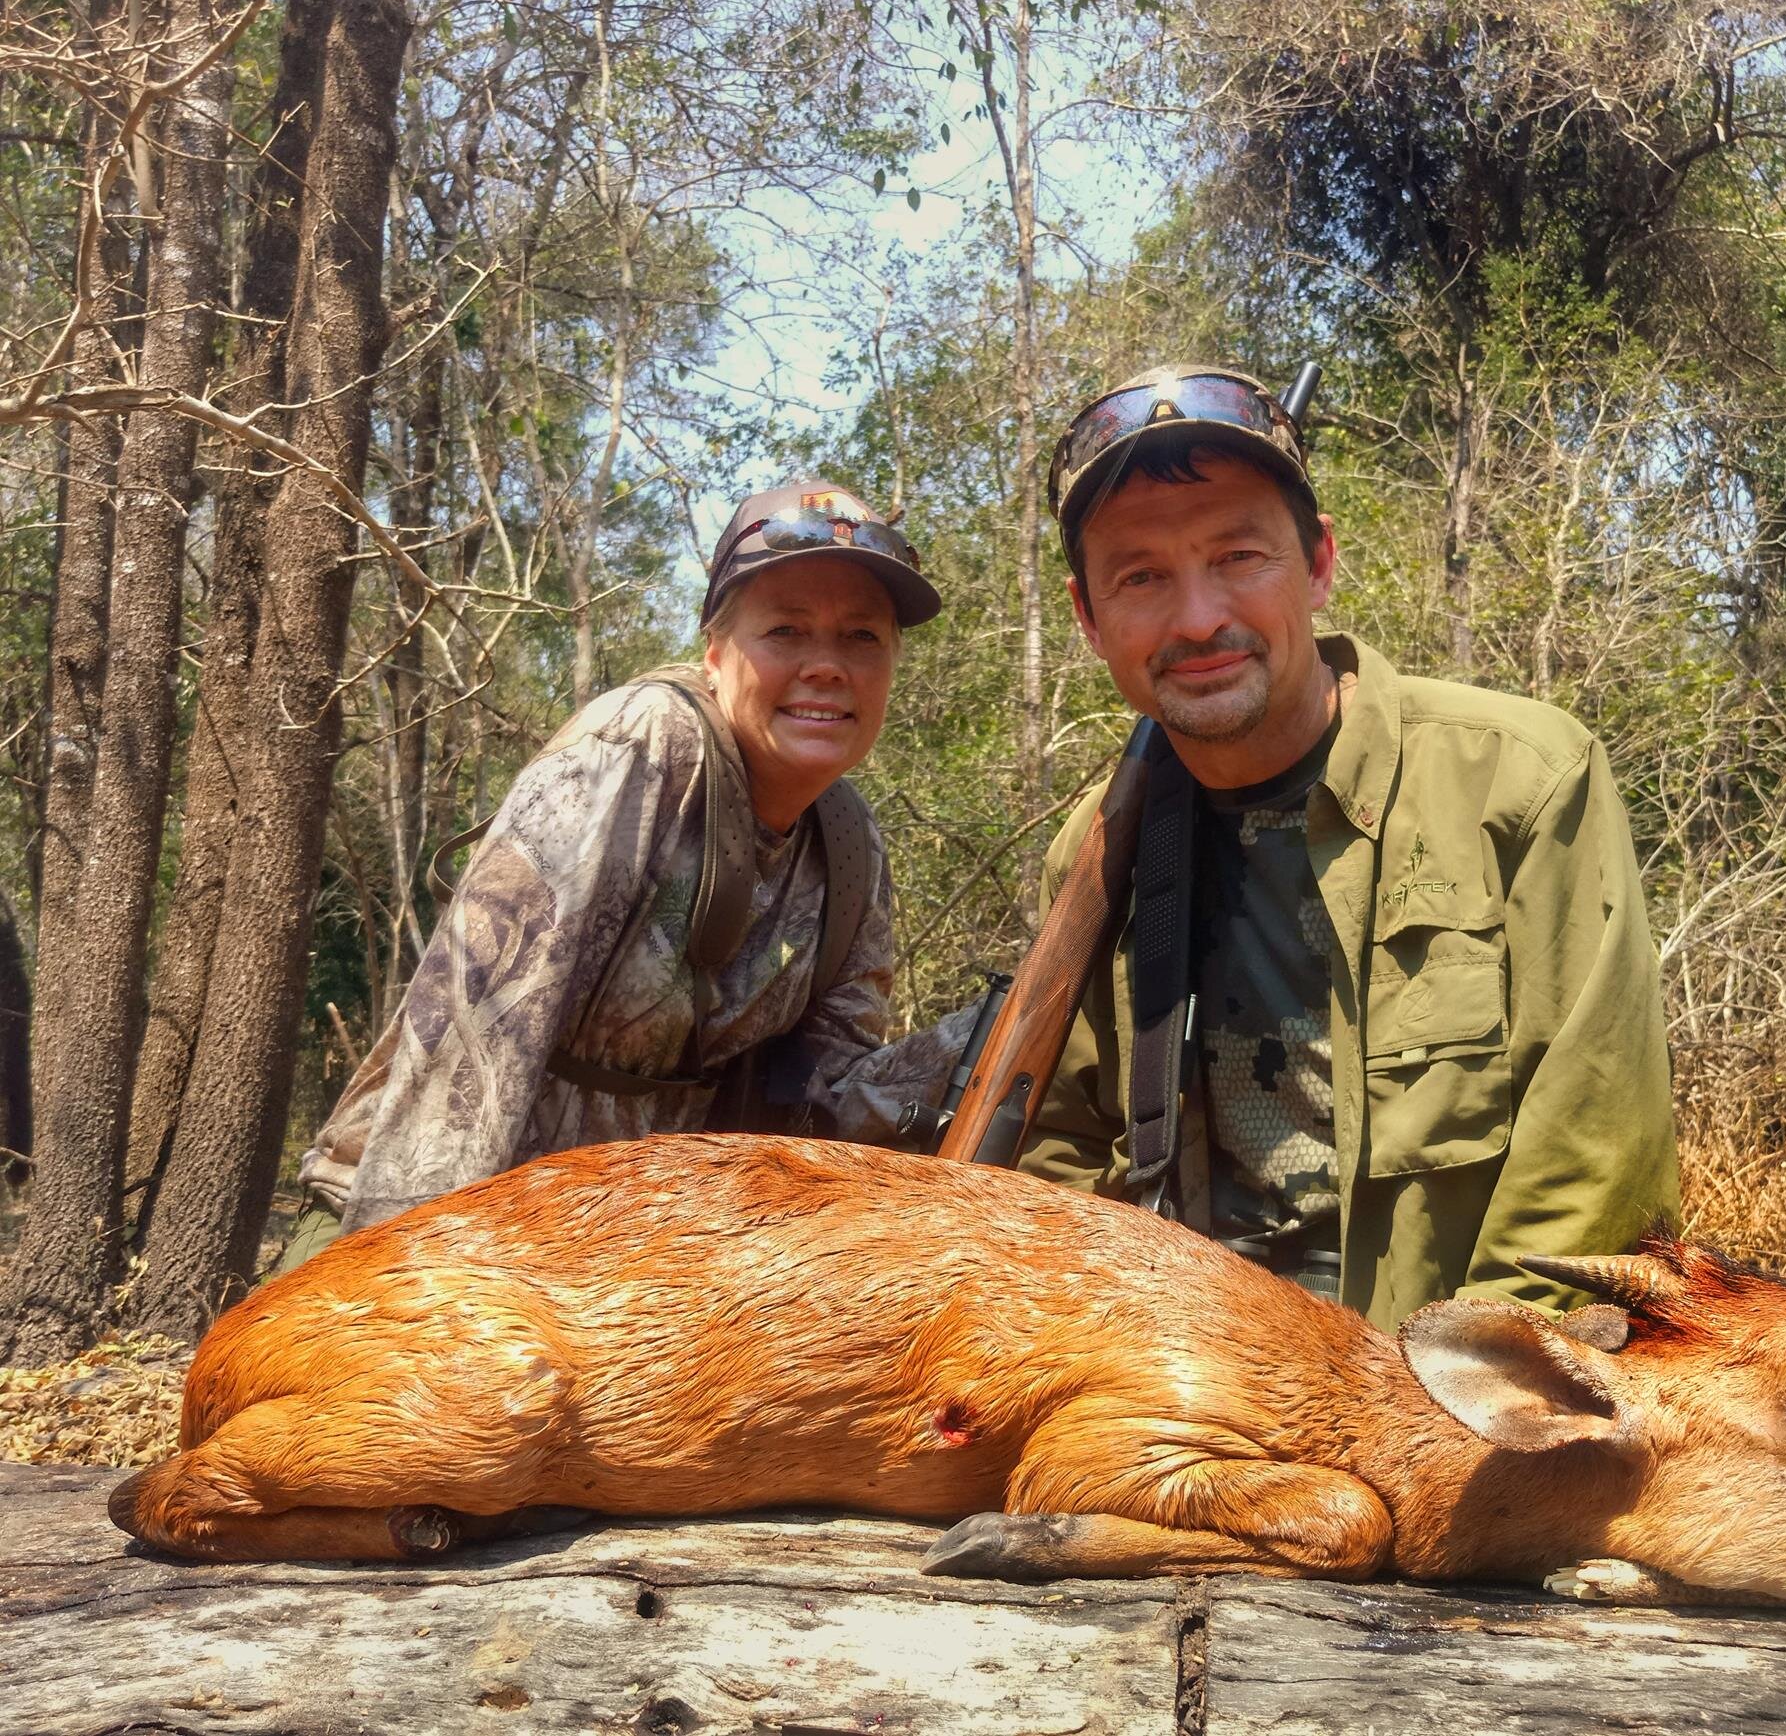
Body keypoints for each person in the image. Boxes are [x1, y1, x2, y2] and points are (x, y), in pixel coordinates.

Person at [1016, 365, 1679, 1328]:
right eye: (1141, 577)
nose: (1198, 618)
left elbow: (1593, 1168)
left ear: (1318, 563)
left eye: (1240, 556)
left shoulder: (1521, 781)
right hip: (1198, 1395)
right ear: (1087, 617)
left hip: (1461, 1395)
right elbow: (1060, 1165)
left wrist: (1438, 1416)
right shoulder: (1098, 849)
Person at [291, 481, 971, 1254]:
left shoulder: (849, 845)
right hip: (411, 1236)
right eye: (785, 630)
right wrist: (404, 1294)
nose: (827, 665)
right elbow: (465, 1057)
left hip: (605, 1269)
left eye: (862, 638)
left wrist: (978, 1040)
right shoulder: (638, 750)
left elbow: (822, 1105)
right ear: (715, 655)